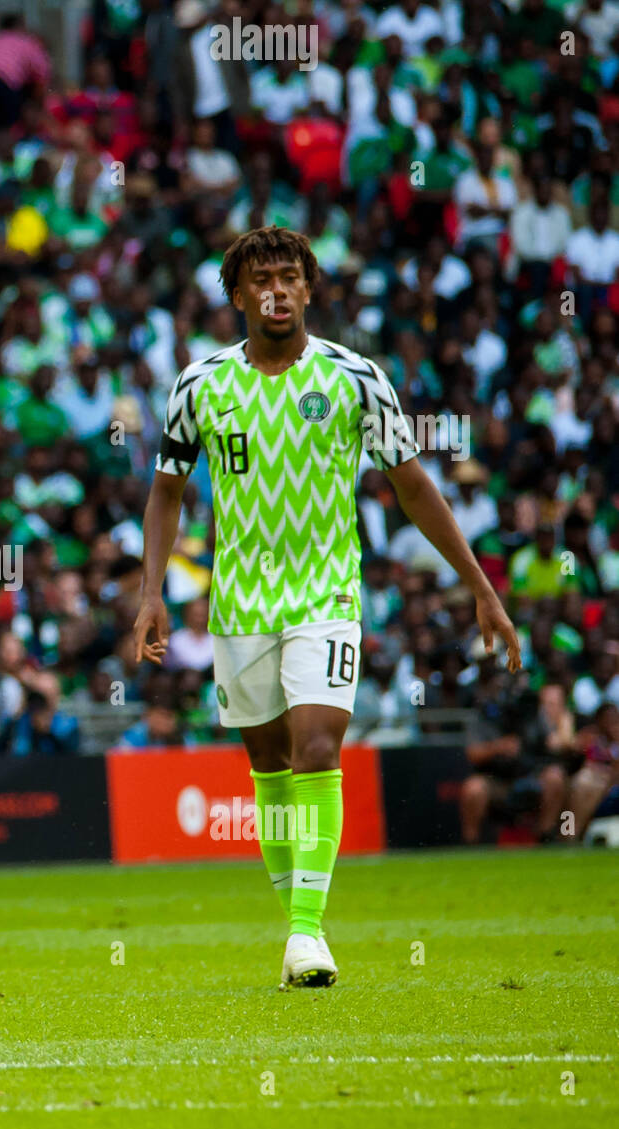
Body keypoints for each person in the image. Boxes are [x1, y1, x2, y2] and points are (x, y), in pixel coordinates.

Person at [133, 226, 520, 988]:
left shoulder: (355, 379)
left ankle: (307, 935)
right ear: (238, 295)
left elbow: (412, 485)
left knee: (316, 749)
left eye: (290, 277)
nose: (277, 290)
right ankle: (294, 926)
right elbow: (167, 490)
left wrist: (479, 584)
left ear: (309, 289)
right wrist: (152, 592)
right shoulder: (199, 385)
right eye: (261, 279)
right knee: (268, 765)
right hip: (240, 602)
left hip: (326, 594)